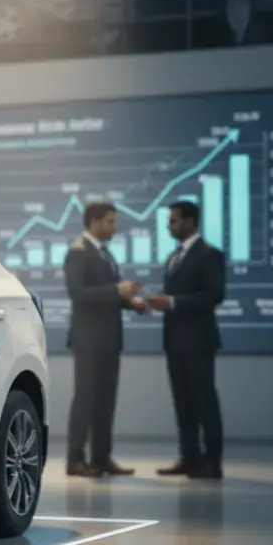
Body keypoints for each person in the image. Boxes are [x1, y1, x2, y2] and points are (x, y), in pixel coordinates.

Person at [63, 201, 144, 478]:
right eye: (110, 221)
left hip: (109, 340)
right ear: (94, 222)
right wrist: (117, 289)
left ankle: (101, 458)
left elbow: (108, 294)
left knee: (106, 401)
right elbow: (79, 294)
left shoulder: (105, 253)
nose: (114, 226)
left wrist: (131, 302)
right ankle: (75, 459)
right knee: (86, 399)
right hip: (89, 340)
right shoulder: (78, 253)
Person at [146, 200, 226, 479]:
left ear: (190, 222)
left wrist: (173, 302)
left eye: (173, 221)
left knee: (205, 401)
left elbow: (215, 294)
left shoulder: (209, 254)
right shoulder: (173, 257)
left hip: (199, 341)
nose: (169, 226)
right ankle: (189, 458)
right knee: (183, 402)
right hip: (175, 342)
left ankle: (212, 462)